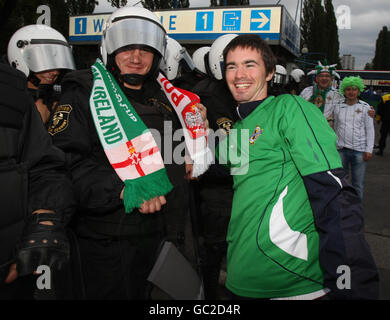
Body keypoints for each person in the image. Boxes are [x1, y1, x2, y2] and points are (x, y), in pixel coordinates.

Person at [47, 7, 207, 300]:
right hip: (108, 240)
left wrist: (195, 141)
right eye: (127, 48)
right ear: (110, 49)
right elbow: (62, 165)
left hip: (163, 235)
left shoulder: (166, 95)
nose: (136, 57)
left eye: (145, 50)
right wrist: (123, 189)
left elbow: (171, 150)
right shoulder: (84, 92)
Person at [218, 34, 379, 300]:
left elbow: (335, 196)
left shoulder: (289, 108)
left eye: (250, 64)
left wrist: (351, 285)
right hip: (241, 277)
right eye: (231, 66)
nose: (239, 74)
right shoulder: (239, 128)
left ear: (270, 72)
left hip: (292, 282)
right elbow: (207, 163)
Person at [0, 62, 75, 299]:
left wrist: (46, 217)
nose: (53, 72)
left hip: (10, 264)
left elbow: (44, 166)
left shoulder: (11, 90)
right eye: (45, 64)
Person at [191, 34, 238, 299]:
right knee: (214, 248)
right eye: (233, 65)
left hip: (243, 190)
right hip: (219, 192)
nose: (241, 73)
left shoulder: (243, 94)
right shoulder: (205, 96)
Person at [7, 24, 75, 125]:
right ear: (21, 60)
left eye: (58, 65)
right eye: (45, 65)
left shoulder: (59, 96)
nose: (55, 72)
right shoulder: (9, 99)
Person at [333, 76, 374, 200]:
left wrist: (369, 150)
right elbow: (336, 127)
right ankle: (343, 208)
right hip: (341, 150)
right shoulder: (338, 107)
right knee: (341, 182)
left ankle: (357, 212)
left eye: (354, 89)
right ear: (344, 91)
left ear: (359, 91)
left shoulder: (366, 108)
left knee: (357, 184)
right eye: (348, 89)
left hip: (359, 152)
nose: (351, 92)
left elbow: (370, 130)